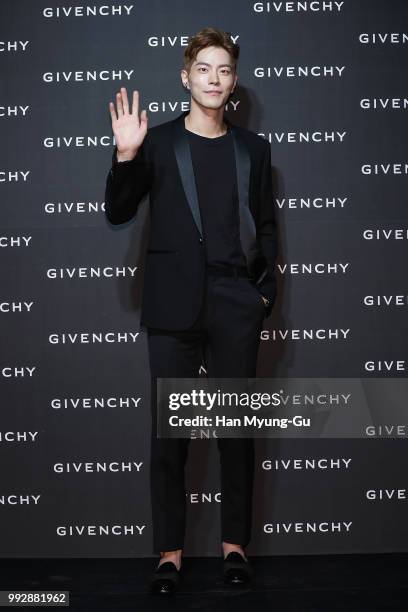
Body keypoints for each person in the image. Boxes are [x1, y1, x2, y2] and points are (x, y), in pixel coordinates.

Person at [104, 26, 278, 595]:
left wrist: (263, 294)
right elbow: (118, 212)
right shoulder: (157, 142)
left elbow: (266, 226)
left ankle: (234, 548)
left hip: (234, 305)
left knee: (235, 434)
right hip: (172, 306)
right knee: (169, 438)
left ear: (233, 83)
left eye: (224, 70)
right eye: (203, 68)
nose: (214, 79)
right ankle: (170, 555)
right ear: (186, 76)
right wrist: (126, 155)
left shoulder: (253, 149)